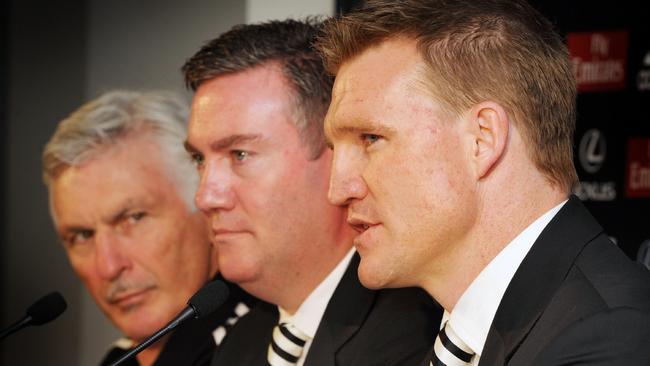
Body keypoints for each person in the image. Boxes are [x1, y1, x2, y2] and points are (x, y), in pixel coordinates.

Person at [317, 0, 650, 365]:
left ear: (482, 139)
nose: (338, 190)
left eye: (370, 138)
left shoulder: (609, 339)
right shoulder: (480, 333)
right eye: (335, 148)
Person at [182, 19, 440, 366]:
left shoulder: (418, 332)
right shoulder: (241, 344)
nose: (205, 197)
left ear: (335, 153)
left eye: (239, 154)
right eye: (199, 159)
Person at [42, 90, 254, 366]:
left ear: (205, 209)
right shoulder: (119, 359)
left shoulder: (263, 347)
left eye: (133, 218)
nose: (108, 266)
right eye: (82, 236)